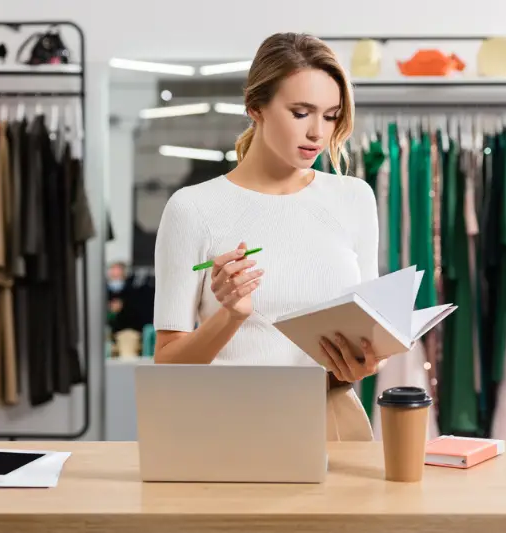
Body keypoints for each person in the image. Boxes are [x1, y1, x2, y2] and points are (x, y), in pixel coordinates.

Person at [152, 32, 383, 439]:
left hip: (330, 423)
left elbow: (367, 336)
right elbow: (168, 368)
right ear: (255, 107)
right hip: (229, 428)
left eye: (330, 116)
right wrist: (231, 315)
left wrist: (364, 363)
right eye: (300, 112)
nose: (318, 132)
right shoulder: (192, 209)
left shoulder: (355, 198)